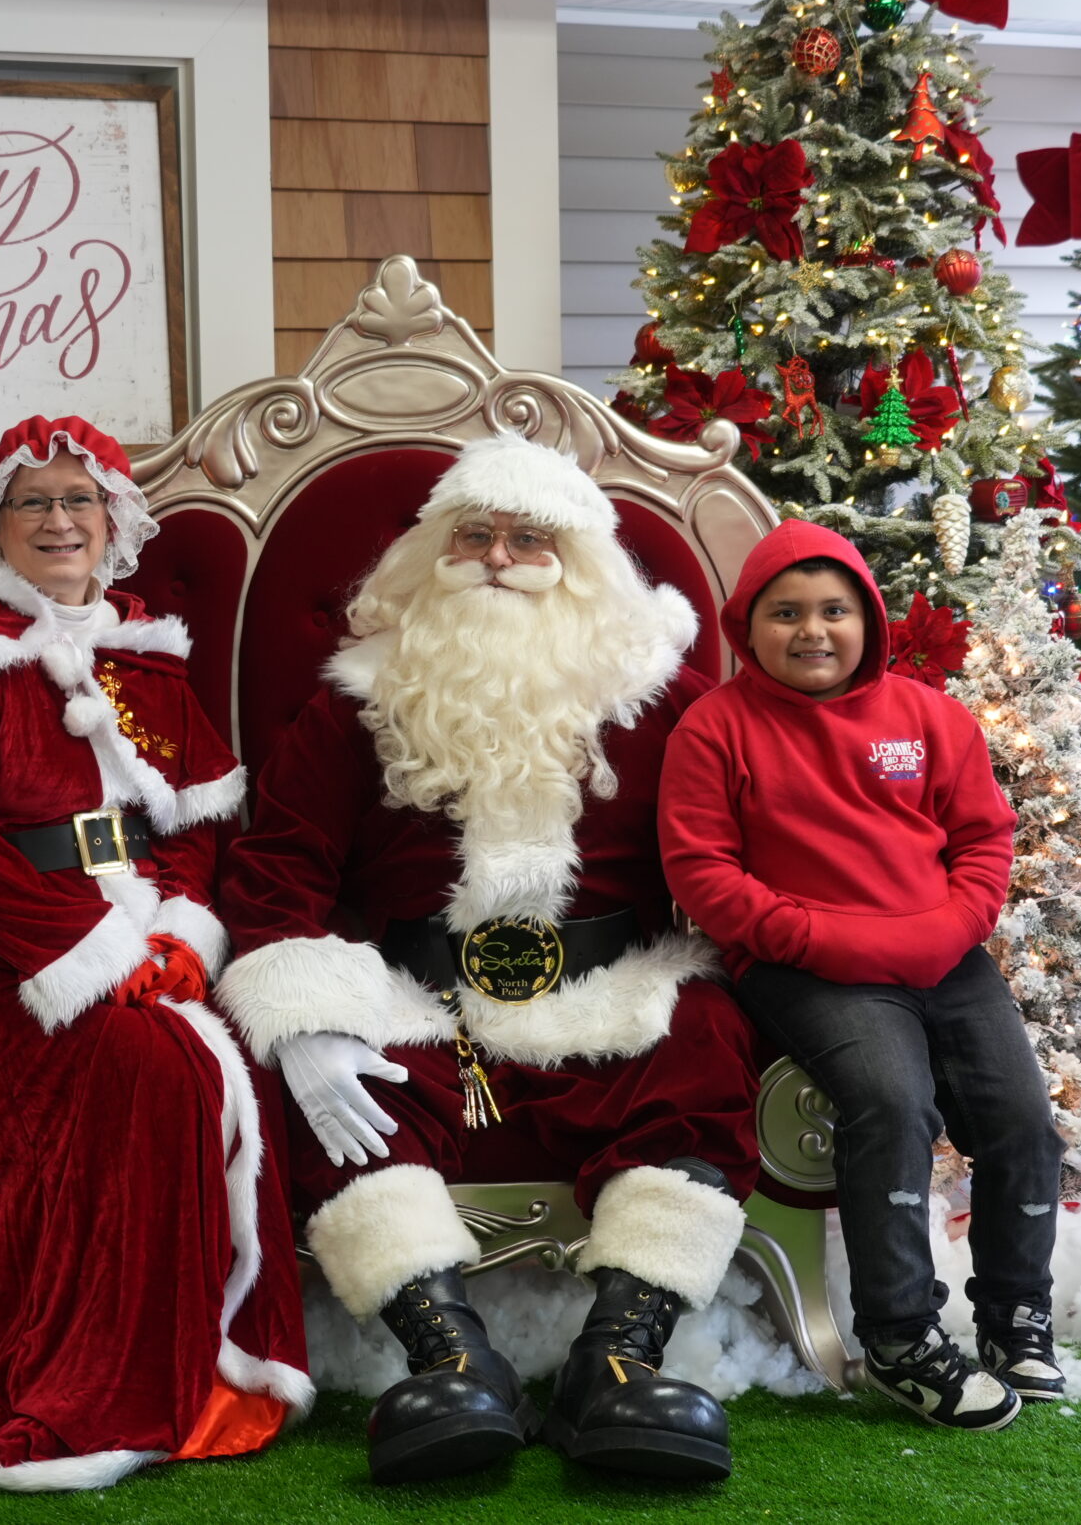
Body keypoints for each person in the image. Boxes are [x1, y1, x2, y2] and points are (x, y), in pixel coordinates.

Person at [218, 433, 758, 1485]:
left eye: (529, 540)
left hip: (612, 989)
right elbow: (277, 866)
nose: (499, 558)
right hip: (420, 999)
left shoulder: (664, 699)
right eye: (474, 536)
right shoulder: (356, 700)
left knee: (704, 1040)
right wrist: (307, 1021)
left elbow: (733, 848)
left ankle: (619, 1359)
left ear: (580, 564)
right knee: (349, 1096)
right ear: (432, 554)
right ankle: (451, 1357)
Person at [0, 415, 309, 1490]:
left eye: (77, 500)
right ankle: (109, 1374)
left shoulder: (149, 653)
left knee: (231, 1051)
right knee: (150, 1067)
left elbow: (195, 818)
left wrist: (179, 932)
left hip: (137, 923)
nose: (58, 521)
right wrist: (97, 955)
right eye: (33, 502)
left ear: (113, 519)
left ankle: (212, 1362)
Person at [658, 520, 1061, 1433]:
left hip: (943, 956)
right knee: (891, 1100)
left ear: (867, 621)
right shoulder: (714, 728)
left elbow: (983, 837)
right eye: (786, 612)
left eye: (834, 610)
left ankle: (1015, 1314)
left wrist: (949, 929)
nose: (813, 630)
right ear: (747, 625)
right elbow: (703, 871)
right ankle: (900, 1337)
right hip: (807, 966)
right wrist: (816, 936)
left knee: (1023, 1121)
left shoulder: (929, 716)